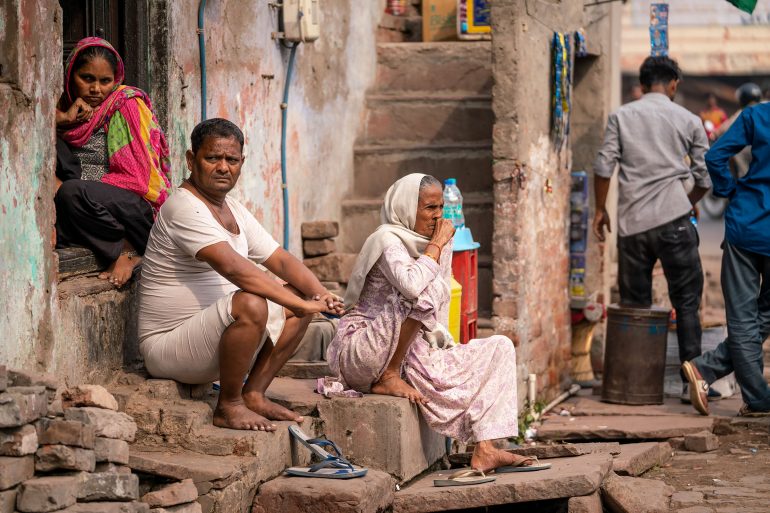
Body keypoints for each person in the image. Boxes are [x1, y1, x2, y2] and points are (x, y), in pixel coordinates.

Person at [138, 119, 344, 431]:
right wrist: (299, 304)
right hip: (168, 349)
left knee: (299, 294)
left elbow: (281, 260)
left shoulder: (232, 207)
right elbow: (236, 269)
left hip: (212, 340)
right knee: (252, 301)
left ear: (241, 163)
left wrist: (319, 296)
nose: (223, 167)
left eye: (231, 160)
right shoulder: (183, 207)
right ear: (192, 160)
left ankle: (254, 394)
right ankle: (228, 406)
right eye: (212, 158)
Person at [326, 173, 528, 473]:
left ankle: (485, 447)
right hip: (362, 349)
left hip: (408, 349)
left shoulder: (437, 244)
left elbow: (440, 301)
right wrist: (436, 246)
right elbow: (412, 287)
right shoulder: (387, 240)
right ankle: (388, 375)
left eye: (441, 208)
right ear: (407, 207)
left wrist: (441, 339)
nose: (438, 216)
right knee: (421, 292)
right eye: (430, 208)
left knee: (500, 347)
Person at [592, 56, 714, 403]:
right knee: (687, 304)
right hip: (675, 221)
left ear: (643, 84)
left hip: (632, 226)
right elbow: (705, 178)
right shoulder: (689, 120)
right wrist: (687, 200)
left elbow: (604, 166)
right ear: (673, 83)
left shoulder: (621, 116)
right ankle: (696, 382)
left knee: (636, 305)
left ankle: (637, 386)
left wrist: (600, 210)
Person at [55, 37, 171, 288]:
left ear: (115, 80)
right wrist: (62, 119)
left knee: (70, 191)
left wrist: (81, 188)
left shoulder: (125, 105)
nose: (96, 89)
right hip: (93, 209)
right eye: (87, 78)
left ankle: (127, 251)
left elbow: (138, 178)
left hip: (134, 211)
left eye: (105, 81)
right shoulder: (64, 111)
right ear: (70, 75)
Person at [682, 101, 770, 417]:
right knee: (758, 319)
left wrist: (730, 190)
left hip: (745, 226)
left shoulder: (755, 115)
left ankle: (706, 368)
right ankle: (757, 399)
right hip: (750, 229)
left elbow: (714, 155)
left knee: (745, 317)